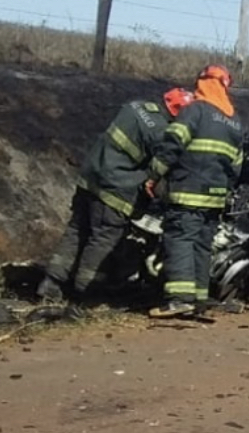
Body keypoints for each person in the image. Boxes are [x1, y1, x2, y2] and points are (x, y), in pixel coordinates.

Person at [36, 87, 196, 302]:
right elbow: (167, 163)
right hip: (115, 188)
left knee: (76, 230)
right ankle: (86, 292)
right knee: (103, 240)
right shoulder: (162, 132)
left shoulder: (136, 106)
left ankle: (51, 284)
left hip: (89, 179)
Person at [146, 64, 244, 318]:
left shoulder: (195, 111)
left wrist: (154, 174)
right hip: (215, 197)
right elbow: (236, 165)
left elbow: (172, 143)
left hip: (188, 190)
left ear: (203, 83)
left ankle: (180, 299)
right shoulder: (234, 123)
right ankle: (200, 298)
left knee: (179, 240)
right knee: (202, 245)